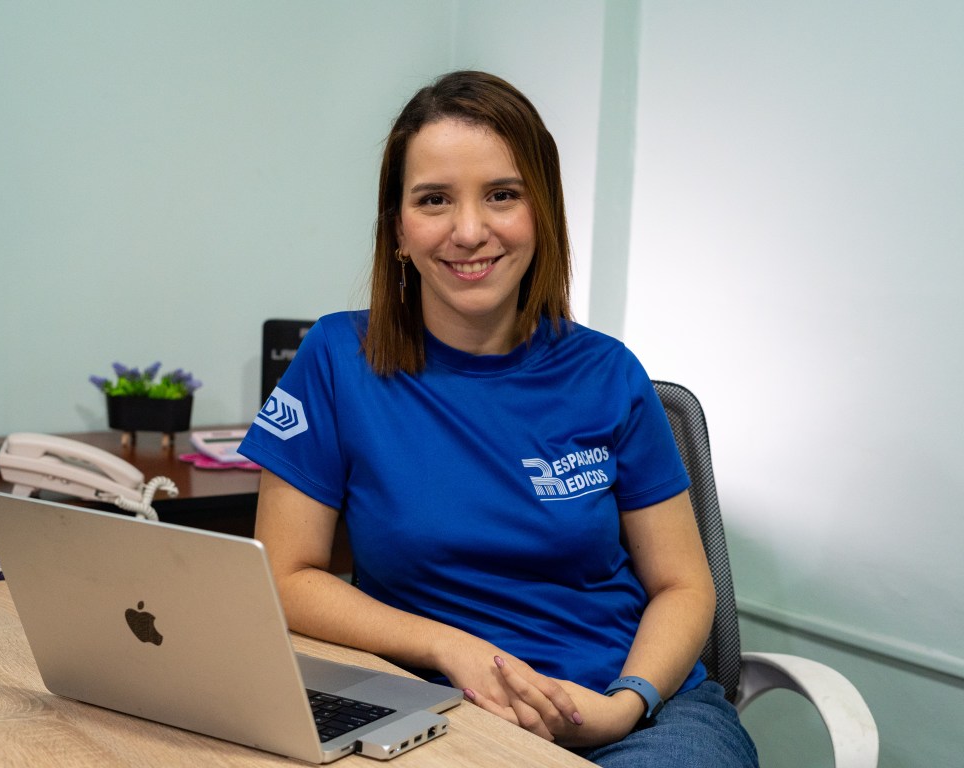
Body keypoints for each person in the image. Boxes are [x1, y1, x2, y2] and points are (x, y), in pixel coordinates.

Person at [238, 70, 758, 767]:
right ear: (397, 229)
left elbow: (683, 586)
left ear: (542, 213)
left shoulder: (609, 374)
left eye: (502, 195)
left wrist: (621, 705)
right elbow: (286, 576)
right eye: (434, 199)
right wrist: (450, 646)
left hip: (633, 715)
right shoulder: (337, 358)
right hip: (436, 709)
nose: (469, 231)